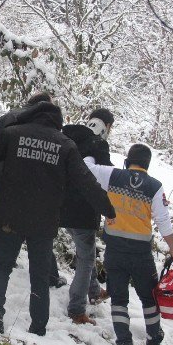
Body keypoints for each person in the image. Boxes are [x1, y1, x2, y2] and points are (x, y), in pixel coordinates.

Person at [0, 100, 115, 335]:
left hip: (10, 214)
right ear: (56, 121)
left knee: (2, 266)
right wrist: (108, 209)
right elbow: (85, 180)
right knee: (39, 274)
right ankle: (38, 325)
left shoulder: (12, 134)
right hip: (44, 220)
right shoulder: (65, 144)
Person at [84, 144, 173, 345]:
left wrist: (92, 149)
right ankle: (154, 341)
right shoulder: (154, 186)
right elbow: (163, 220)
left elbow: (86, 167)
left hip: (115, 250)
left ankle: (124, 342)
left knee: (119, 298)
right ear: (148, 164)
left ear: (128, 160)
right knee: (149, 298)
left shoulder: (112, 176)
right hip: (141, 254)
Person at [0, 92, 67, 289]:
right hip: (27, 183)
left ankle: (7, 260)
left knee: (7, 225)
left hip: (1, 178)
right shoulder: (39, 125)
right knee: (39, 228)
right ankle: (51, 276)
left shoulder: (7, 117)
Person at [59, 108, 115, 325]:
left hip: (62, 206)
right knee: (86, 259)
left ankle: (93, 291)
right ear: (107, 126)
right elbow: (103, 176)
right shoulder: (98, 145)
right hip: (83, 209)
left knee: (86, 253)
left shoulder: (69, 137)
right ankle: (76, 308)